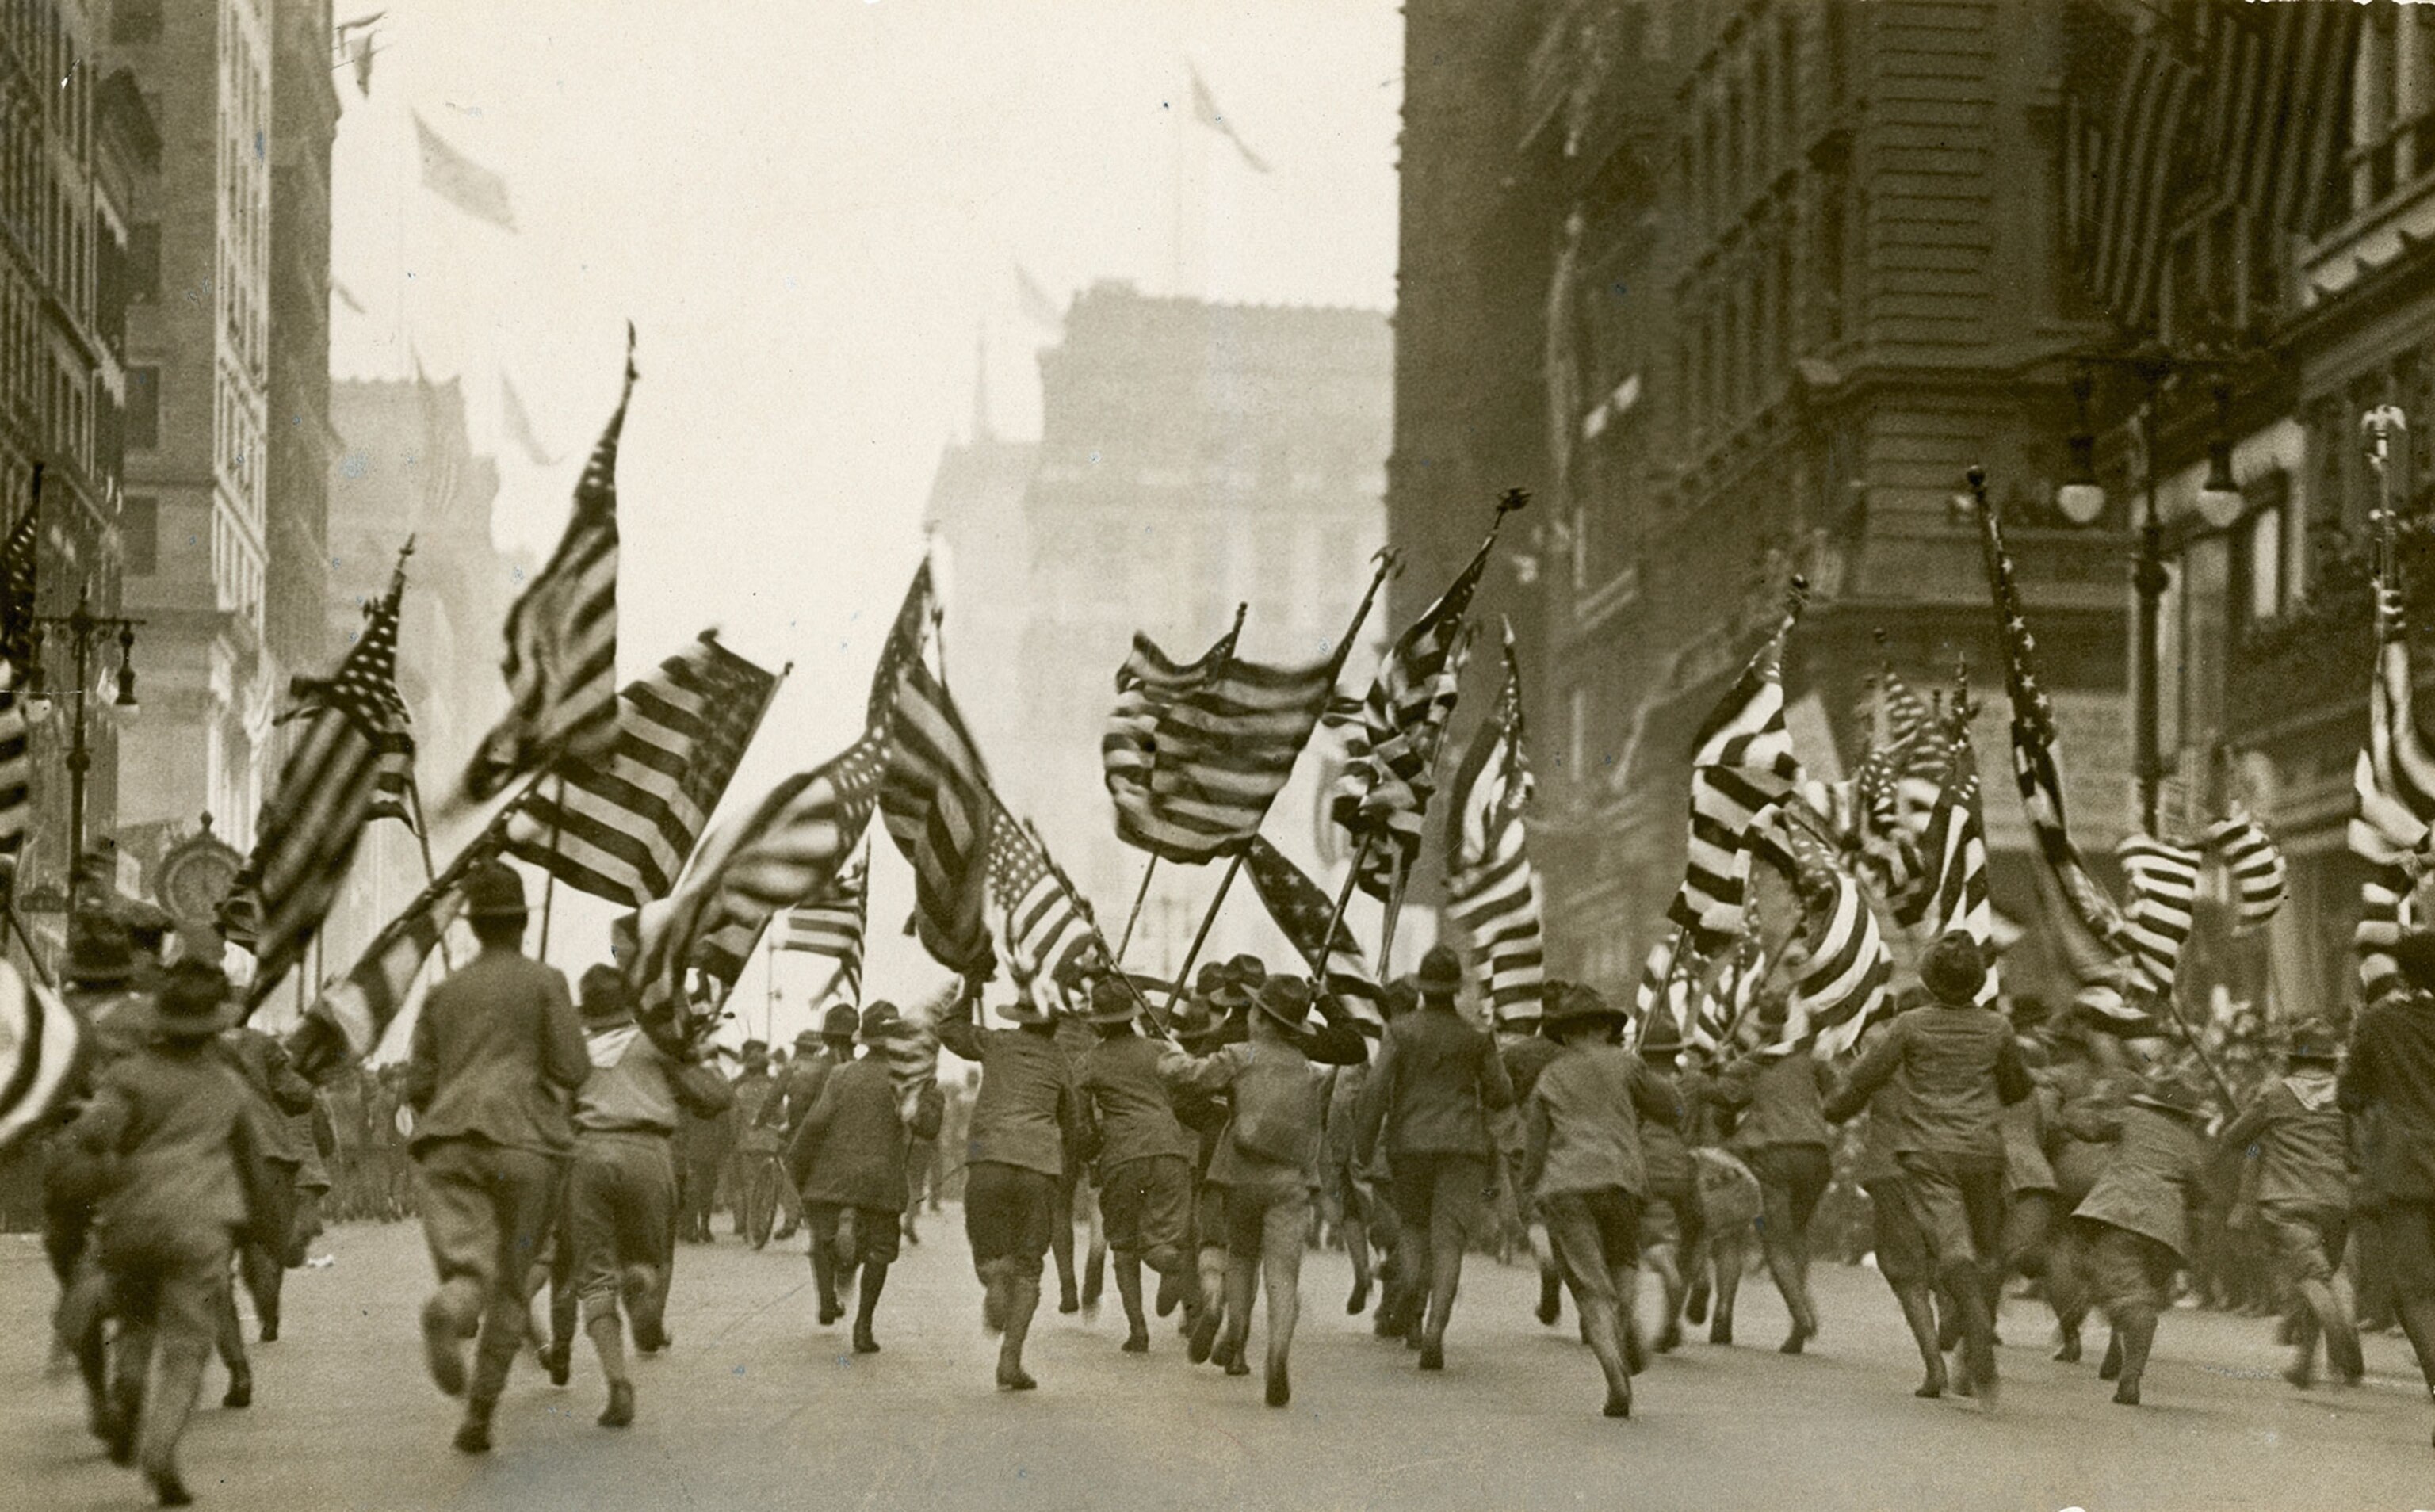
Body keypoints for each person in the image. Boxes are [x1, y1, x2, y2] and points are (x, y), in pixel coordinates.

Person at [70, 960, 273, 1506]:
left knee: (134, 1323)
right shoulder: (228, 1088)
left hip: (131, 1218)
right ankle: (160, 1451)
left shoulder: (128, 1075)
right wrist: (270, 1232)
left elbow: (93, 1136)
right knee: (186, 1347)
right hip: (201, 1226)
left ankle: (126, 1390)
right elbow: (254, 1168)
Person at [403, 860, 589, 1454]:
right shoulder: (546, 981)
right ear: (522, 923)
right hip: (526, 1146)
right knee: (511, 1283)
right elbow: (573, 1068)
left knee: (469, 1273)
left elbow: (418, 1085)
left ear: (474, 926)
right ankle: (479, 1415)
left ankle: (449, 1306)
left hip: (449, 1143)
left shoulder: (443, 991)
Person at [1824, 931, 2031, 1405]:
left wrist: (1835, 1110)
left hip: (1926, 1152)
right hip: (1982, 1150)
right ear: (1978, 981)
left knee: (1949, 1242)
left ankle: (1973, 1313)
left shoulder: (1910, 1026)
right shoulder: (1997, 1028)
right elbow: (2017, 1088)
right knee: (1986, 1248)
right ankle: (1980, 1315)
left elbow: (1864, 1078)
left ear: (1929, 980)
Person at [560, 966, 732, 1427]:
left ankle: (617, 1381)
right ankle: (639, 1278)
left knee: (594, 1279)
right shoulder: (656, 1043)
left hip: (589, 1153)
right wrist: (694, 1054)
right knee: (646, 1261)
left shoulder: (573, 1049)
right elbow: (716, 1098)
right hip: (647, 1153)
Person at [1159, 976, 1332, 1408]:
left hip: (1241, 1174)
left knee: (1241, 1257)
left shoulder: (1242, 1054)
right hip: (1291, 1182)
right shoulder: (1308, 1070)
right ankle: (1277, 1354)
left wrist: (1168, 1055)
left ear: (1258, 1017)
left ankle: (1235, 1333)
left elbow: (1191, 1077)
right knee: (1283, 1277)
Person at [1355, 943, 1516, 1372]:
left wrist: (1364, 1142)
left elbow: (1375, 1090)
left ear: (1423, 987)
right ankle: (1434, 1331)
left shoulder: (1401, 1032)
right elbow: (1501, 1094)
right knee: (1449, 1242)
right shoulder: (1478, 1037)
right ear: (1456, 987)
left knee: (1412, 1229)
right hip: (1463, 1147)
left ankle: (1409, 1291)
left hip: (1409, 1145)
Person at [1521, 986, 1680, 1418]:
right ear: (1605, 1029)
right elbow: (1673, 1108)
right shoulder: (1628, 1064)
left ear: (1570, 1035)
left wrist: (1527, 1192)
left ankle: (1614, 1376)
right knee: (1624, 1264)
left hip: (1566, 1187)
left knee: (1590, 1291)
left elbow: (1534, 1148)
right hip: (1622, 1182)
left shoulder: (1550, 1077)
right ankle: (1625, 1322)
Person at [934, 974, 1081, 1389]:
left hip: (989, 1160)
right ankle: (1010, 1360)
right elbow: (1073, 1124)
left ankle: (995, 1273)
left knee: (990, 1251)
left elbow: (949, 1031)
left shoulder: (996, 1042)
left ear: (1020, 1018)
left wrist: (967, 987)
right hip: (1038, 1167)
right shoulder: (1060, 1061)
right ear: (1054, 1025)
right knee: (1030, 1269)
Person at [789, 1001, 944, 1353]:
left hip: (832, 1179)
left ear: (865, 1038)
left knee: (822, 1239)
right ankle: (864, 1326)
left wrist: (798, 1170)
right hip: (881, 1181)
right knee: (880, 1252)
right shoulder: (907, 1078)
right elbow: (929, 1127)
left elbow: (814, 1125)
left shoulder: (841, 1075)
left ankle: (830, 1285)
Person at [2218, 1018, 2358, 1389]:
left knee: (2311, 1279)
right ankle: (2305, 1363)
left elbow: (2237, 1141)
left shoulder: (2275, 1094)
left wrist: (2246, 1124)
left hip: (2287, 1202)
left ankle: (2338, 1328)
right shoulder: (2344, 1096)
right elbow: (2358, 1151)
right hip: (2335, 1202)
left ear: (2293, 1058)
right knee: (2320, 1274)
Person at [2058, 1068, 2212, 1407]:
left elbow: (2087, 1127)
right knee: (2141, 1293)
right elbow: (2201, 1193)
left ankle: (2105, 1314)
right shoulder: (2190, 1141)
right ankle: (2131, 1374)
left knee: (2121, 1290)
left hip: (2119, 1212)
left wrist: (2074, 1107)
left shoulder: (2132, 1117)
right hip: (2165, 1230)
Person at [2342, 930, 2435, 1448]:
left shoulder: (2381, 1022)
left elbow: (2349, 1093)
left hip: (2407, 1172)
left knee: (2417, 1293)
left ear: (2404, 975)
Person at [1711, 991, 1837, 1353]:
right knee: (1797, 1235)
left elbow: (1724, 1099)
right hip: (1815, 1155)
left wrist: (1721, 1067)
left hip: (1769, 1157)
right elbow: (1835, 1093)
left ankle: (1800, 1315)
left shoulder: (1754, 1061)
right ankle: (1797, 1321)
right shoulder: (1811, 1061)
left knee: (1773, 1239)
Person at [1075, 976, 1194, 1353]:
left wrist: (1087, 1150)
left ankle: (1138, 1331)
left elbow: (1081, 1122)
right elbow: (1187, 1087)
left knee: (1125, 1246)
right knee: (1162, 1238)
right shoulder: (1160, 1050)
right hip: (1171, 1150)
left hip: (1123, 1156)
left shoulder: (1090, 1061)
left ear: (1097, 1022)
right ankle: (1181, 1268)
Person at [1633, 1009, 1704, 1352]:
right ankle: (1670, 1323)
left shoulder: (1638, 1082)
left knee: (1654, 1244)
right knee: (1687, 1245)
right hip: (1684, 1166)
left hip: (1648, 1163)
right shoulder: (1688, 1082)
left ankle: (1666, 1280)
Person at [1496, 987, 1565, 1327]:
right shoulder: (1577, 1057)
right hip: (1568, 1143)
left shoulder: (1518, 1053)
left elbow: (1497, 1096)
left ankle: (1548, 1264)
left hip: (1524, 1141)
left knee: (1535, 1214)